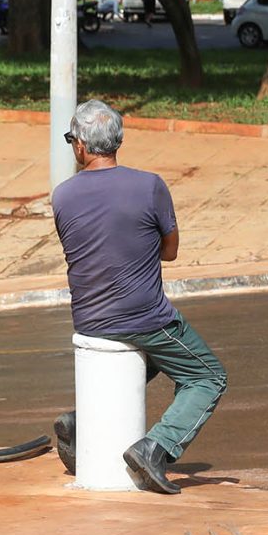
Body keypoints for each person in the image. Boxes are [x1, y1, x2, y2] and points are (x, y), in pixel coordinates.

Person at [49, 101, 226, 496]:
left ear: (80, 146)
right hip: (145, 317)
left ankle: (83, 422)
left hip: (89, 318)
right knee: (207, 376)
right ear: (118, 142)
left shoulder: (62, 196)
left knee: (149, 360)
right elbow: (170, 250)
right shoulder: (150, 186)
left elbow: (86, 248)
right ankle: (156, 447)